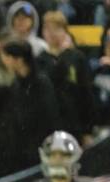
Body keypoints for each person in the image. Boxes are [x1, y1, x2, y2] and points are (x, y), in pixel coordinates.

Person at [0, 39, 59, 177]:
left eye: (7, 57)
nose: (4, 61)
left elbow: (49, 118)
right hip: (18, 151)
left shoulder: (41, 84)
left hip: (36, 150)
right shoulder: (16, 84)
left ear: (18, 60)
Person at [37, 10, 95, 143]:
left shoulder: (77, 58)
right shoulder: (39, 60)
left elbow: (86, 93)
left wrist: (87, 130)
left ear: (65, 31)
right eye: (48, 29)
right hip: (48, 128)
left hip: (74, 126)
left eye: (56, 28)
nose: (52, 33)